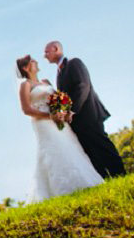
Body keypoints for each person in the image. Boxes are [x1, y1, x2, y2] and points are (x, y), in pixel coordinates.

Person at [16, 54, 103, 201]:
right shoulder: (26, 85)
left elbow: (59, 99)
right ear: (25, 68)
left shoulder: (46, 82)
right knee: (53, 150)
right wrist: (49, 116)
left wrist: (62, 110)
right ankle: (59, 189)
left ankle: (84, 181)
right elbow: (26, 110)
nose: (36, 61)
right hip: (43, 122)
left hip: (58, 121)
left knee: (70, 146)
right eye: (32, 61)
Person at [43, 41, 126, 179]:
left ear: (56, 48)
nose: (44, 56)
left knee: (102, 146)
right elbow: (64, 97)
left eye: (46, 52)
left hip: (89, 115)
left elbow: (83, 86)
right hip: (76, 122)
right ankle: (106, 180)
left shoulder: (74, 63)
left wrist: (72, 111)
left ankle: (122, 176)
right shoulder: (58, 75)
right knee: (90, 153)